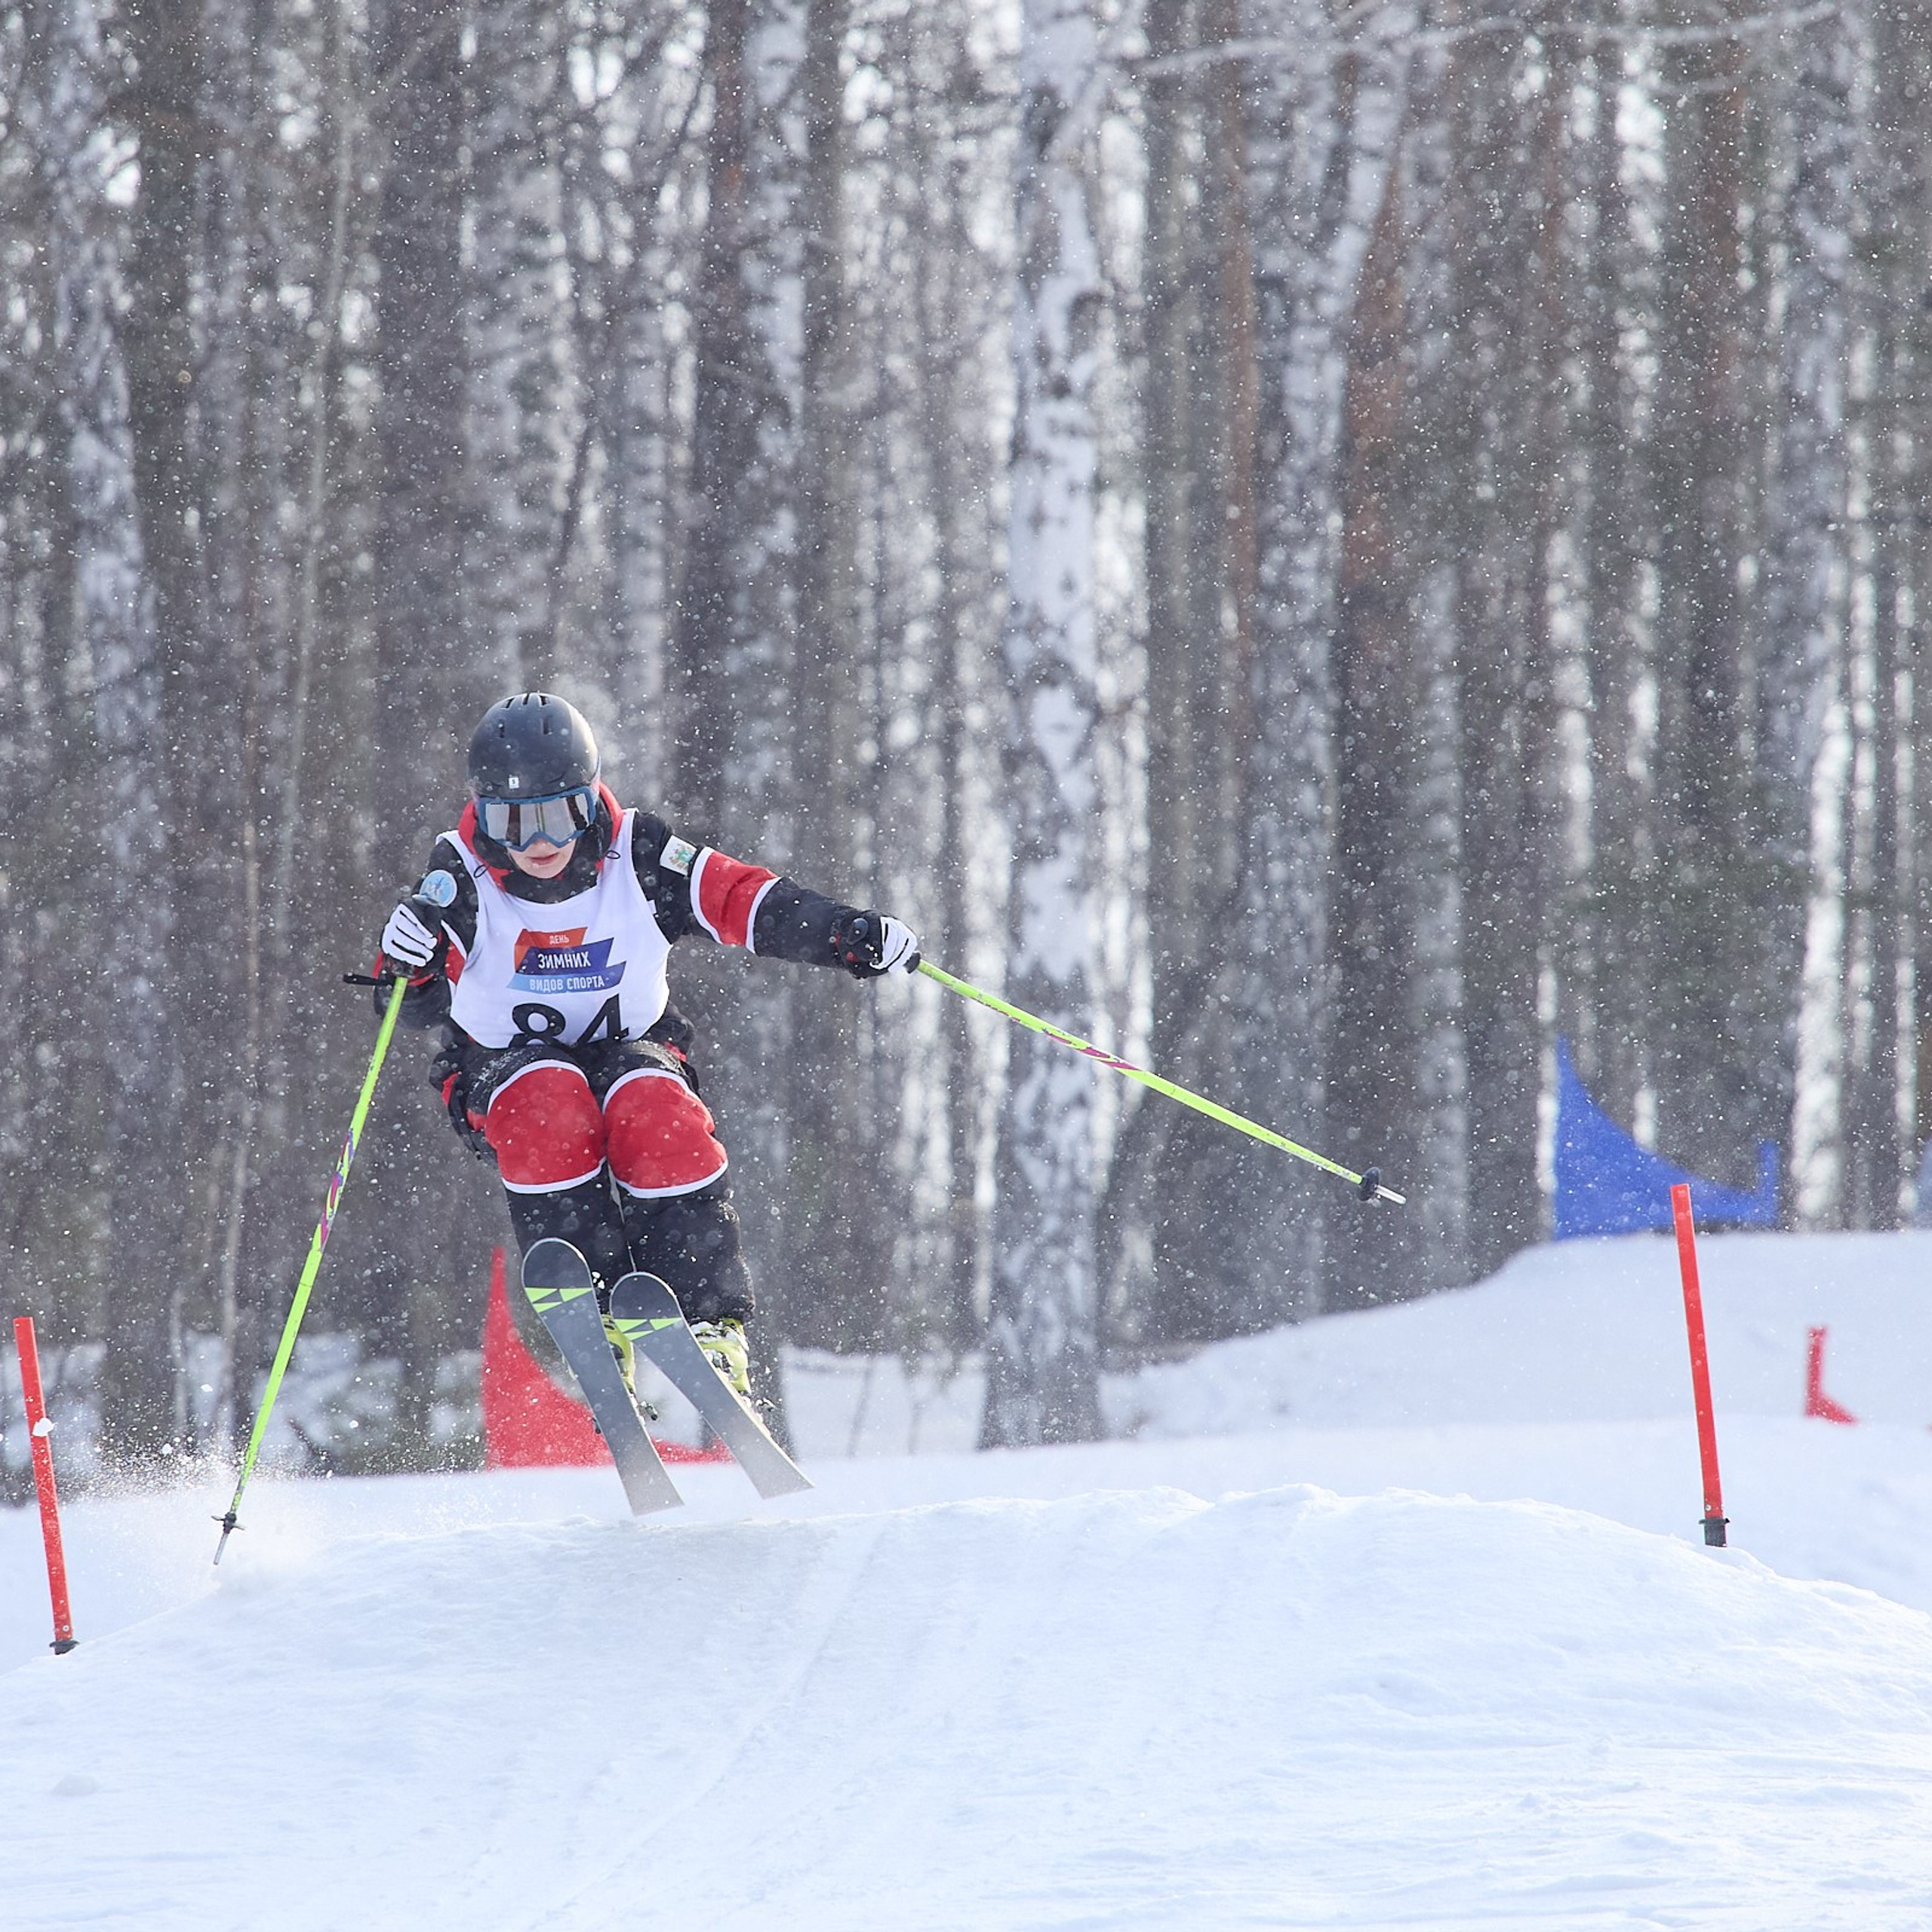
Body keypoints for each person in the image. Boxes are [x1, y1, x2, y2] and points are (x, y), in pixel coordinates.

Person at [374, 691, 919, 1401]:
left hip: (632, 1044)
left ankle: (710, 1323)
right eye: (513, 822)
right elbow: (411, 1006)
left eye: (559, 815)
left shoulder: (641, 854)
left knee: (655, 1108)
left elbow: (744, 899)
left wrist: (846, 934)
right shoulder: (459, 878)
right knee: (549, 1099)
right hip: (502, 1066)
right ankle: (589, 1309)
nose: (537, 844)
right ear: (484, 813)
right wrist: (408, 962)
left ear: (590, 800)